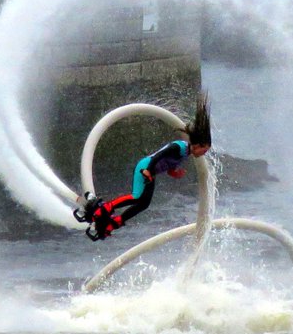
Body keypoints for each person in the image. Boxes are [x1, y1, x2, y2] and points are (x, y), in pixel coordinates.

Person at [78, 94, 212, 241]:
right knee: (137, 196)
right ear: (198, 145)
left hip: (151, 172)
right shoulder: (179, 147)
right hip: (145, 167)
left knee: (144, 204)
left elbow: (168, 164)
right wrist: (148, 170)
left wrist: (173, 172)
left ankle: (117, 221)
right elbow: (159, 156)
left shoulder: (186, 153)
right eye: (204, 150)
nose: (203, 154)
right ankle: (107, 207)